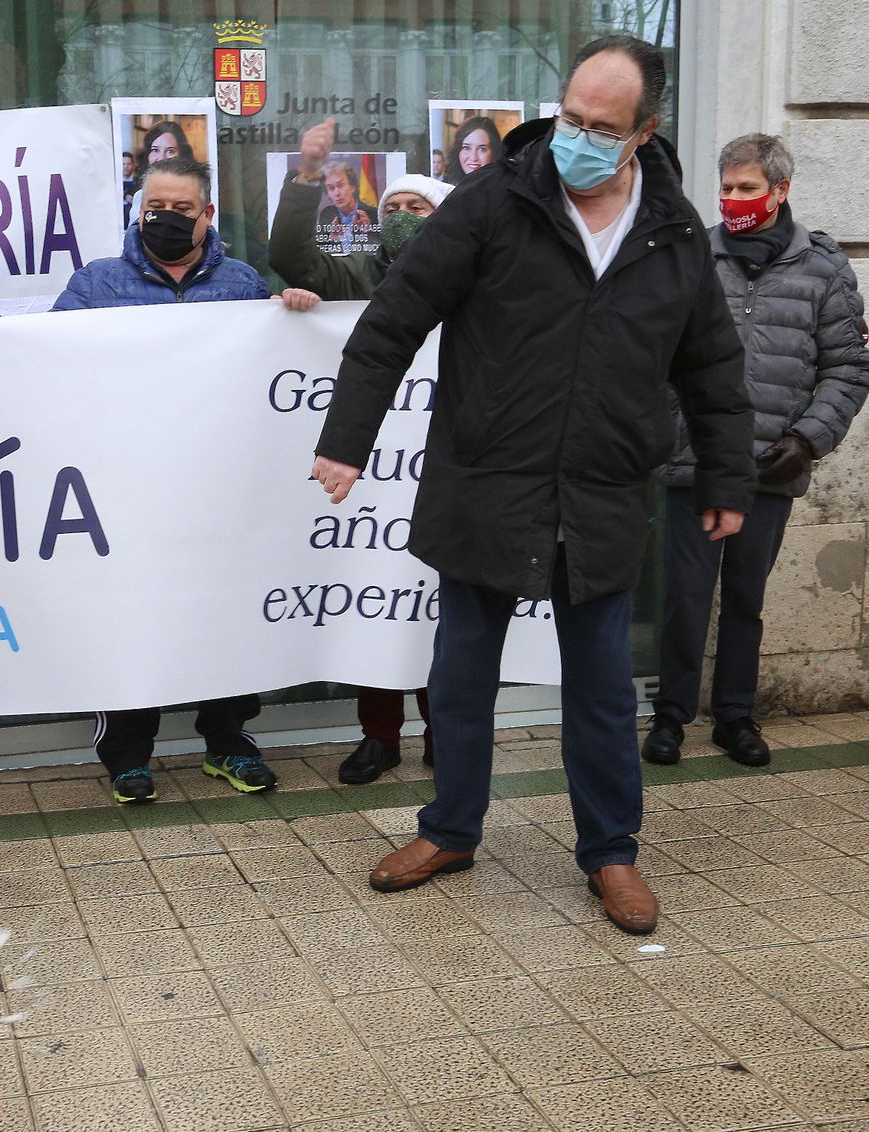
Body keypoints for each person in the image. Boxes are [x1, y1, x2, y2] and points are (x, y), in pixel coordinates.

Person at [310, 36, 754, 936]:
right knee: (463, 673)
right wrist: (346, 440)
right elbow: (395, 319)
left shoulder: (672, 234)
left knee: (597, 686)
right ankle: (449, 830)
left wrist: (726, 476)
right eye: (572, 118)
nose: (577, 139)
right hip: (487, 480)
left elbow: (712, 365)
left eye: (602, 128)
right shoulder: (495, 200)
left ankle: (611, 854)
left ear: (645, 132)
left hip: (603, 492)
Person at [642, 134, 869, 769]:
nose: (734, 200)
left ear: (780, 191)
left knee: (746, 599)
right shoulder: (692, 255)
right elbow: (654, 355)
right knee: (684, 599)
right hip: (694, 465)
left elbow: (849, 369)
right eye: (727, 188)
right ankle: (670, 719)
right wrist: (672, 430)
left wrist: (808, 440)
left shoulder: (822, 268)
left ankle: (736, 717)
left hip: (771, 466)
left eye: (748, 189)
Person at [53, 156, 276, 804]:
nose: (168, 219)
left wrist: (295, 310)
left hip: (218, 487)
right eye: (157, 208)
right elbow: (40, 355)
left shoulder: (240, 284)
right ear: (137, 210)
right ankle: (127, 755)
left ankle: (229, 743)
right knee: (130, 617)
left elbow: (273, 369)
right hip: (126, 489)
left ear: (207, 215)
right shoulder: (97, 283)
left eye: (182, 210)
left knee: (225, 615)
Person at [269, 115, 451, 784]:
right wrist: (307, 175)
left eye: (418, 208)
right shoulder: (360, 274)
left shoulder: (475, 285)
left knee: (437, 606)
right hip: (371, 488)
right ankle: (379, 736)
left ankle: (445, 732)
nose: (403, 216)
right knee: (376, 597)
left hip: (441, 475)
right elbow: (295, 259)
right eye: (395, 207)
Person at [316, 161, 381, 255]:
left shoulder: (373, 214)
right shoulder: (327, 214)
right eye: (331, 188)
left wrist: (366, 233)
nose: (337, 193)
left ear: (353, 187)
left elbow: (380, 252)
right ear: (328, 195)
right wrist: (335, 240)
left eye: (340, 185)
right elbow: (320, 252)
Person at [445, 115, 503, 184]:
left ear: (494, 152)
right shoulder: (446, 188)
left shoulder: (505, 191)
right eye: (467, 148)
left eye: (482, 149)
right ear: (458, 151)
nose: (473, 158)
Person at [121, 151, 137, 226]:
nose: (126, 167)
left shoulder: (139, 183)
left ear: (133, 165)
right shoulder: (112, 183)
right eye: (123, 164)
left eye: (129, 164)